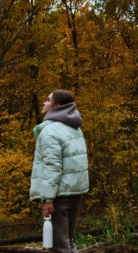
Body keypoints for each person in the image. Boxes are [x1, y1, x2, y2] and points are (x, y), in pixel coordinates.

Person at [30, 90, 89, 253]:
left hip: (58, 195)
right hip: (74, 191)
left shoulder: (50, 131)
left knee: (58, 246)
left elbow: (52, 166)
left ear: (57, 106)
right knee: (68, 243)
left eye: (48, 100)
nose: (44, 103)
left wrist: (48, 198)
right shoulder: (74, 128)